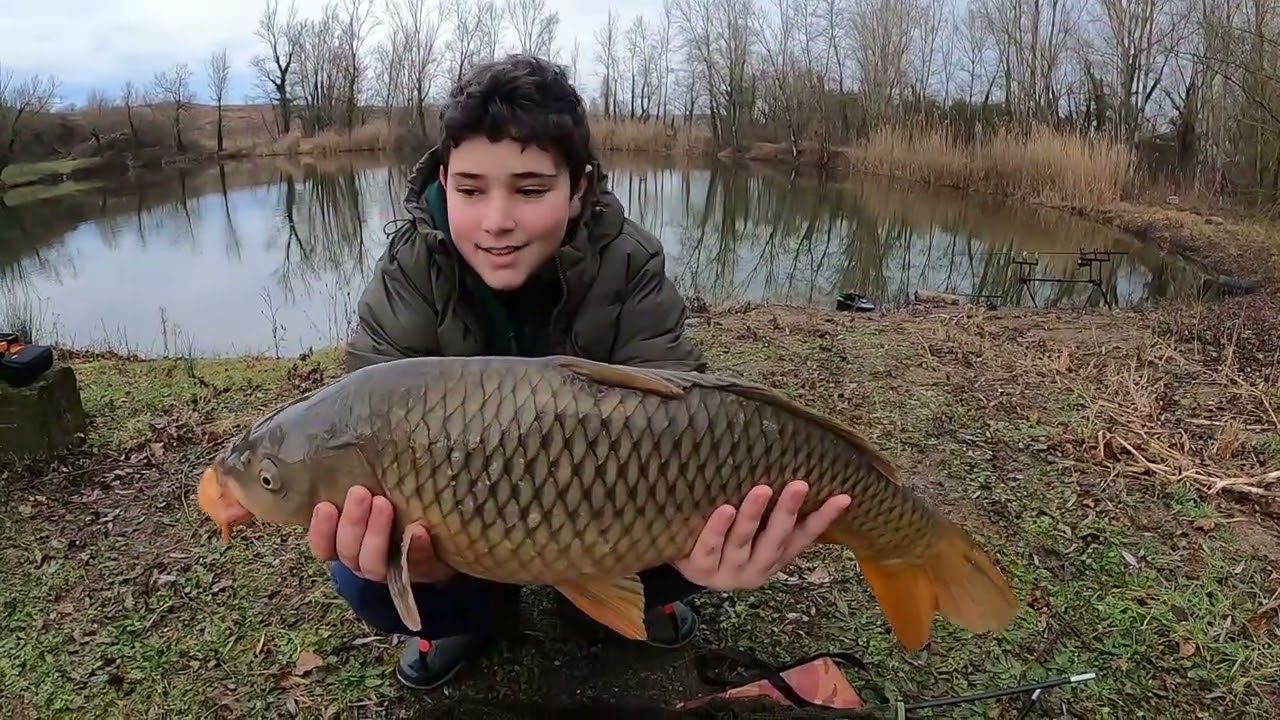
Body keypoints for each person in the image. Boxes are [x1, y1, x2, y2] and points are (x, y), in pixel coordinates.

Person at [306, 54, 852, 692]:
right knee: (360, 559)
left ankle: (640, 595)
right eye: (471, 189)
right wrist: (427, 567)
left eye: (531, 189)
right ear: (445, 180)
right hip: (468, 525)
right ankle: (467, 615)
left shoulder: (629, 263)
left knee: (706, 502)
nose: (497, 220)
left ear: (579, 189)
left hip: (616, 513)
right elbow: (365, 410)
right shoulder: (411, 269)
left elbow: (684, 417)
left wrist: (707, 549)